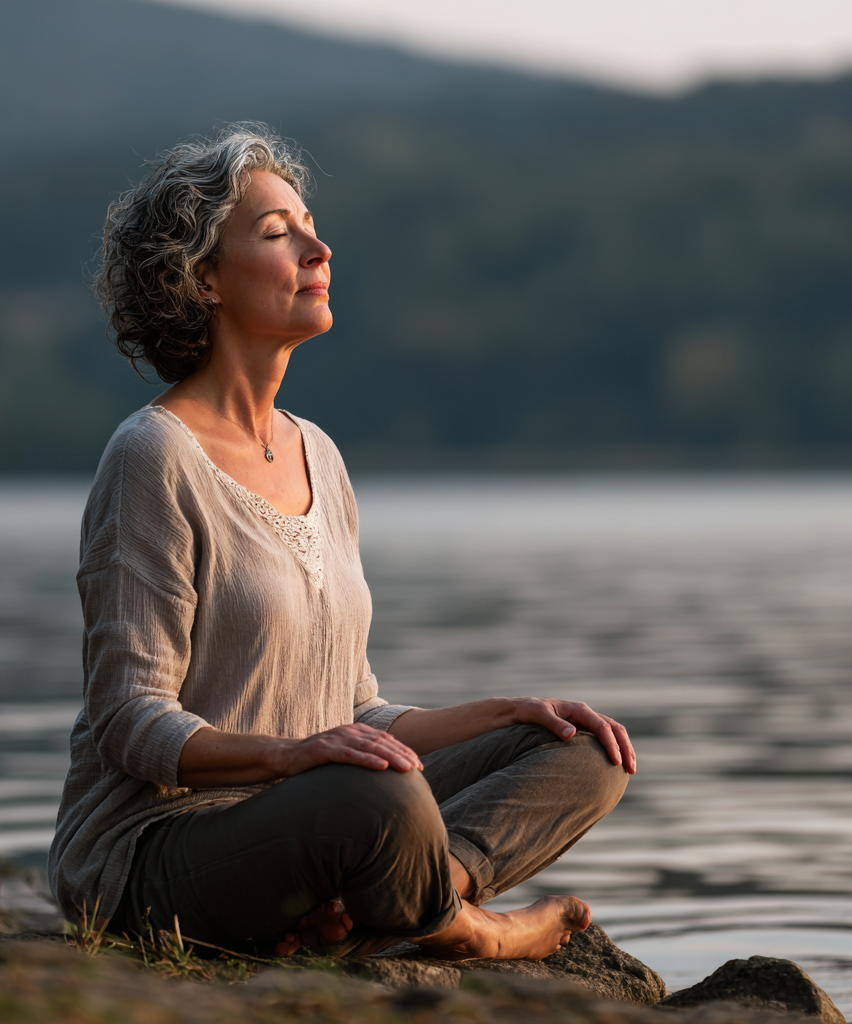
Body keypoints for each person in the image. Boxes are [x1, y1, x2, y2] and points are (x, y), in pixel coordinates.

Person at [49, 125, 636, 961]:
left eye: (311, 226)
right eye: (277, 233)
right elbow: (129, 721)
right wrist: (293, 759)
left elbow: (355, 714)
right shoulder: (153, 456)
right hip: (157, 851)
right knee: (380, 801)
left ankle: (395, 905)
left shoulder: (317, 454)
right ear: (203, 278)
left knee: (584, 750)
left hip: (309, 819)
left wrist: (505, 712)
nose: (318, 250)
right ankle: (467, 930)